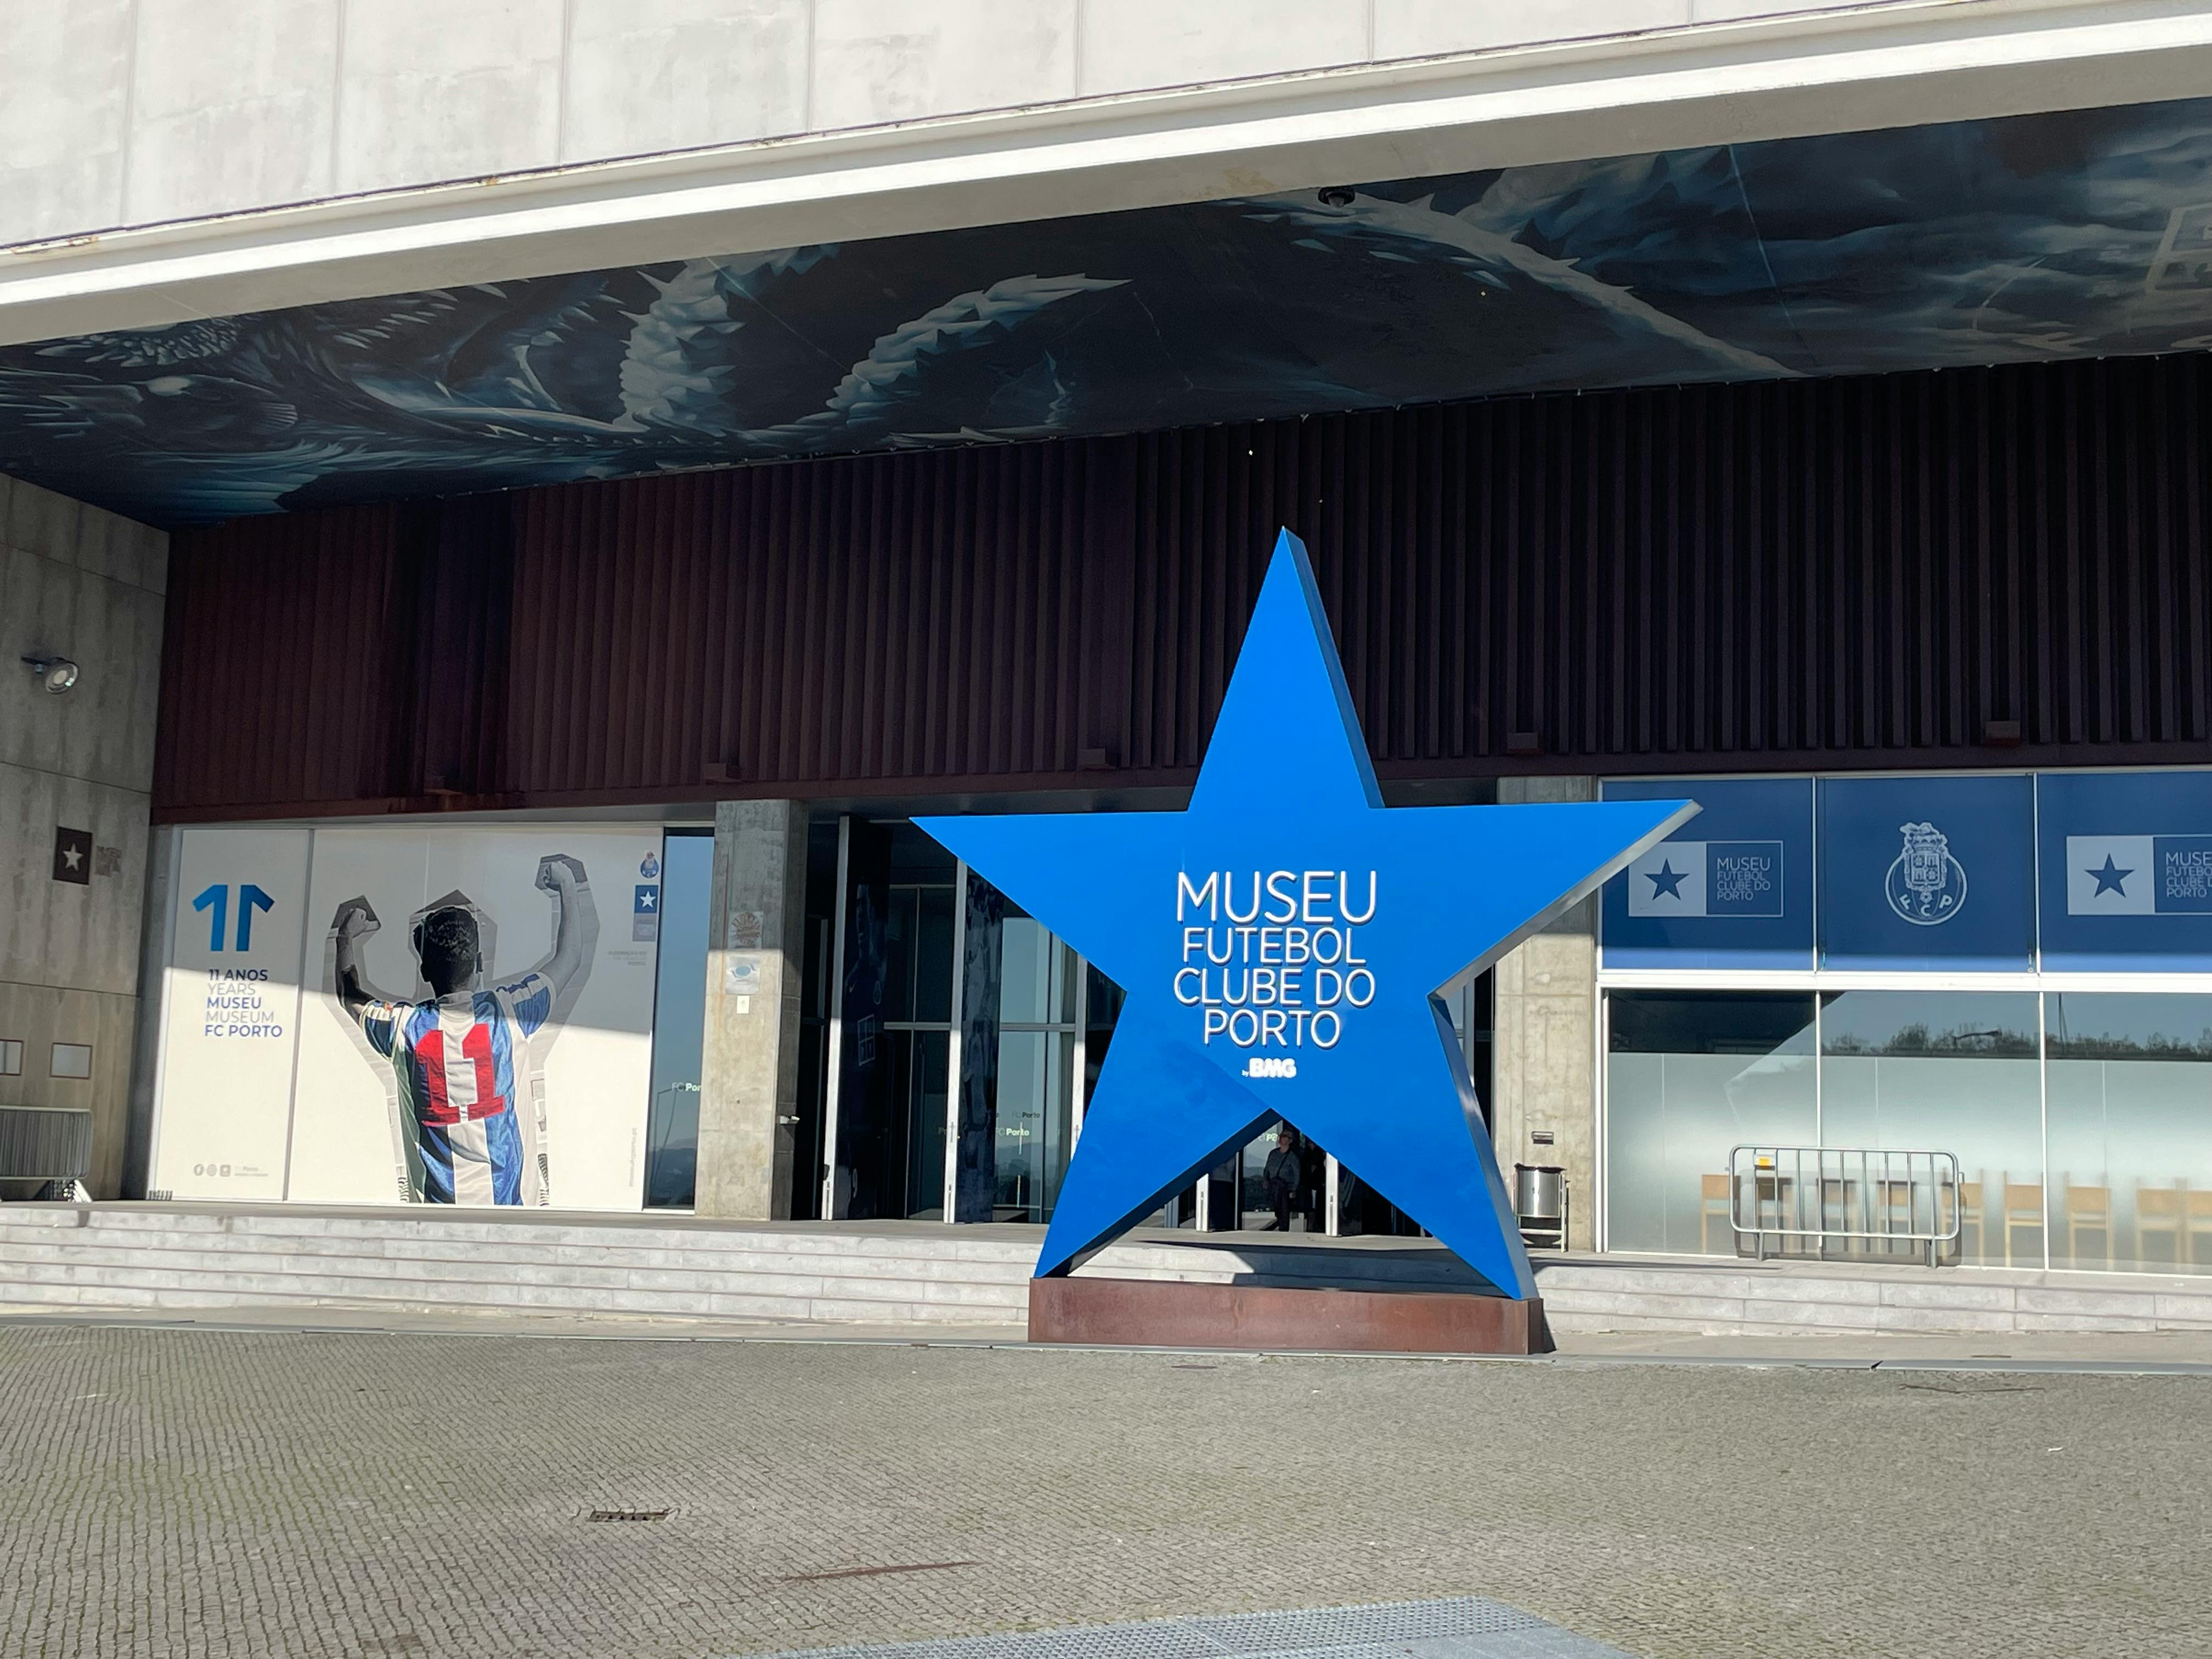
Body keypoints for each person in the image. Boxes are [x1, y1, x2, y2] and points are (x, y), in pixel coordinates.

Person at [333, 855, 596, 1206]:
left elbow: (350, 997)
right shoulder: (510, 1012)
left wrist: (345, 938)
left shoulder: (402, 1029)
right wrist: (566, 884)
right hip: (513, 1211)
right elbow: (570, 957)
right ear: (479, 964)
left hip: (438, 1217)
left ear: (425, 971)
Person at [1261, 1124, 1303, 1232]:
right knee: (1276, 1207)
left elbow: (1297, 1174)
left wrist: (1294, 1189)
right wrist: (1265, 1180)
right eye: (1281, 1136)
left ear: (1290, 1140)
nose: (1282, 1139)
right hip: (1273, 1185)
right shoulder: (1273, 1153)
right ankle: (1278, 1223)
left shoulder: (1292, 1157)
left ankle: (1282, 1226)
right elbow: (1267, 1168)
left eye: (1285, 1137)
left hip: (1286, 1187)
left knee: (1284, 1209)